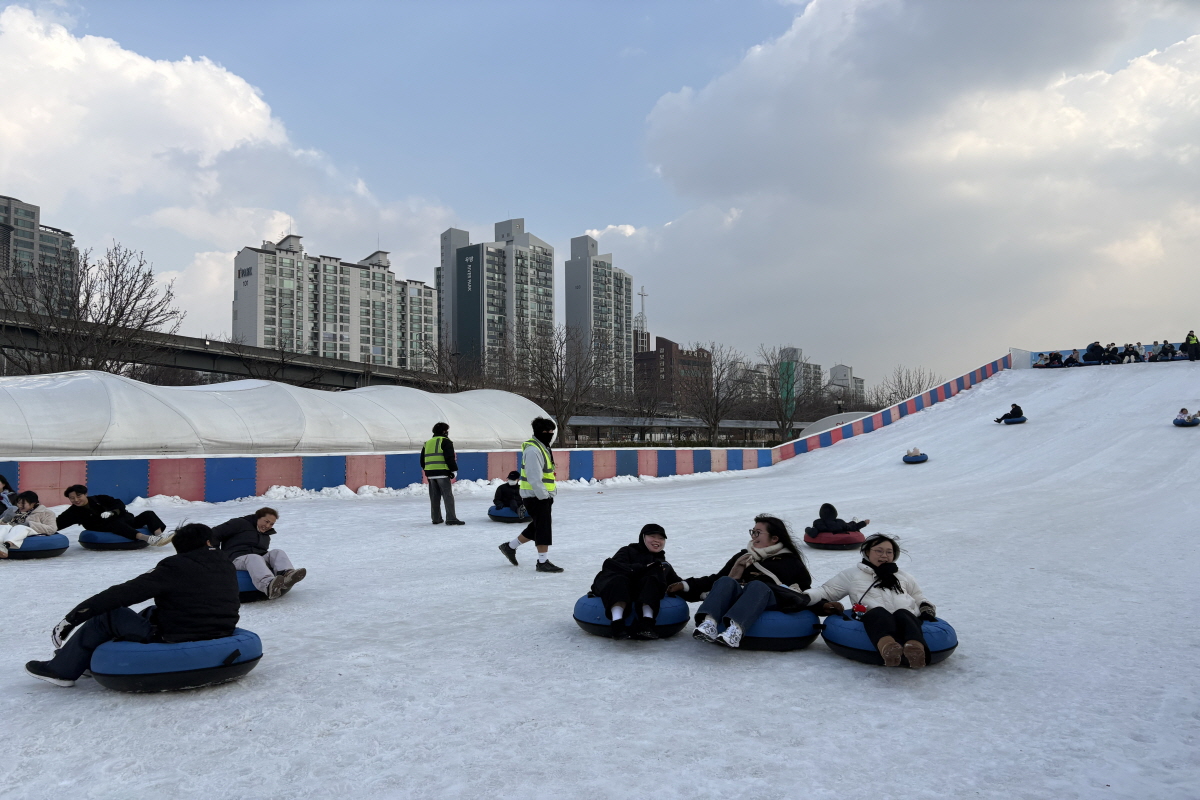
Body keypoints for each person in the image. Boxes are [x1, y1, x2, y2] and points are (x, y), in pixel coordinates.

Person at [24, 523, 240, 687]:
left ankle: (61, 670)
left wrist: (75, 616)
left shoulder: (175, 566)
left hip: (178, 635)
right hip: (221, 630)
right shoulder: (225, 563)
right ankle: (81, 656)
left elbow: (125, 593)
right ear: (208, 543)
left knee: (109, 616)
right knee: (150, 612)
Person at [673, 514, 832, 649]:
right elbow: (716, 580)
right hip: (740, 598)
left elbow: (803, 592)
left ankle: (736, 629)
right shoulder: (744, 557)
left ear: (774, 538)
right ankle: (710, 623)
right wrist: (686, 585)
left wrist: (822, 605)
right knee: (725, 581)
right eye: (753, 532)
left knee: (757, 585)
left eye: (758, 532)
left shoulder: (790, 562)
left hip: (773, 599)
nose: (753, 536)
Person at [797, 533, 937, 669]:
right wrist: (806, 597)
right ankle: (888, 648)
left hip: (906, 618)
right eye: (879, 551)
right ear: (867, 552)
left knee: (904, 613)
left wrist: (926, 607)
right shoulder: (853, 575)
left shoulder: (903, 576)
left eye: (889, 552)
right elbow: (827, 591)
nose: (884, 555)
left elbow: (918, 596)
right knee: (878, 613)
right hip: (873, 618)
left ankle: (915, 650)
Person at [589, 524, 683, 640]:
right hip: (616, 587)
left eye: (661, 538)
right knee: (620, 580)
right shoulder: (627, 551)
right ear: (642, 537)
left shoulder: (662, 564)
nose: (657, 541)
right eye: (652, 536)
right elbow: (614, 567)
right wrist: (644, 568)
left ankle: (647, 624)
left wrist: (700, 592)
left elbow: (677, 583)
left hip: (643, 592)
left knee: (652, 580)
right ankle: (617, 623)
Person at [498, 417, 563, 573]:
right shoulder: (533, 450)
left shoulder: (542, 447)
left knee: (537, 526)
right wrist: (543, 496)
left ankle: (510, 546)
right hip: (537, 496)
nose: (550, 434)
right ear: (538, 432)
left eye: (551, 431)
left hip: (541, 495)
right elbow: (534, 477)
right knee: (543, 527)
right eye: (547, 431)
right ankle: (542, 561)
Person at [210, 507, 305, 600]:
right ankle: (268, 586)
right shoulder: (239, 523)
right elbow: (214, 533)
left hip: (255, 559)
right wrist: (215, 553)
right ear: (257, 517)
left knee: (277, 552)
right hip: (235, 559)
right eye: (266, 521)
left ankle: (287, 575)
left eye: (271, 524)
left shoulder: (266, 535)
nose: (268, 526)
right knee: (254, 558)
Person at [55, 484, 172, 546]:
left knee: (148, 514)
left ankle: (159, 536)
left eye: (79, 496)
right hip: (105, 527)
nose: (76, 500)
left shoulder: (100, 499)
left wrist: (112, 511)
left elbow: (119, 503)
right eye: (72, 498)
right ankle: (148, 539)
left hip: (125, 519)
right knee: (115, 524)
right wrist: (41, 528)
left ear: (85, 494)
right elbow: (59, 523)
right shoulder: (73, 512)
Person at [421, 422, 464, 526]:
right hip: (443, 473)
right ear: (444, 431)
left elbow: (422, 460)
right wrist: (453, 470)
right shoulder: (446, 441)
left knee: (434, 497)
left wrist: (428, 470)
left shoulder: (427, 443)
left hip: (430, 474)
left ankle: (436, 518)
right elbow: (449, 457)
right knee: (447, 496)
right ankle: (451, 518)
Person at [0, 490, 58, 558]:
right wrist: (4, 521)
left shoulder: (45, 513)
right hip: (11, 530)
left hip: (30, 531)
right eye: (18, 503)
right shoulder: (14, 511)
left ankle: (6, 545)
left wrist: (29, 524)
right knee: (5, 527)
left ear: (33, 503)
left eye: (23, 503)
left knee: (20, 527)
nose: (20, 506)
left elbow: (52, 528)